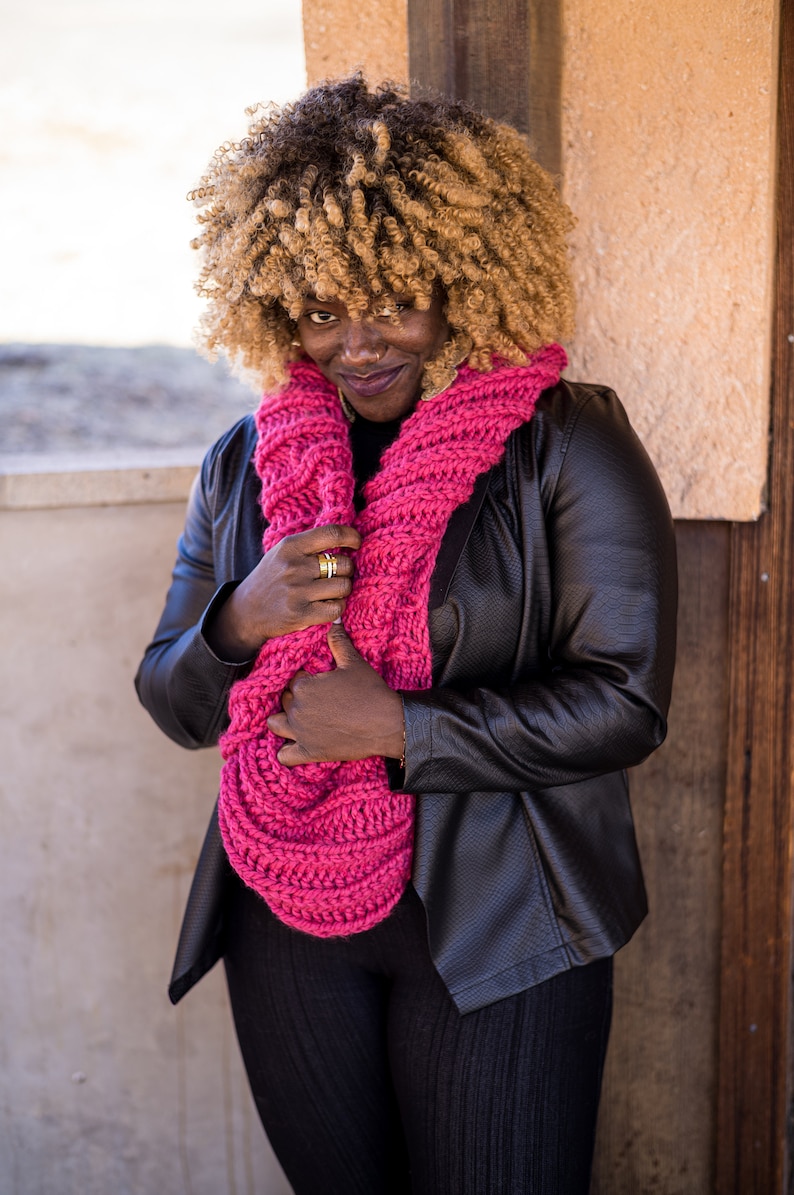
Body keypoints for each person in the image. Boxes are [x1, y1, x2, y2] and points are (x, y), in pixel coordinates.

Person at [135, 76, 677, 1194]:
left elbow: (624, 699)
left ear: (463, 283)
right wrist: (244, 616)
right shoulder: (247, 462)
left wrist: (395, 726)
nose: (354, 341)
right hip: (285, 913)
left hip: (497, 922)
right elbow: (172, 696)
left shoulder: (566, 442)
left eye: (393, 300)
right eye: (319, 308)